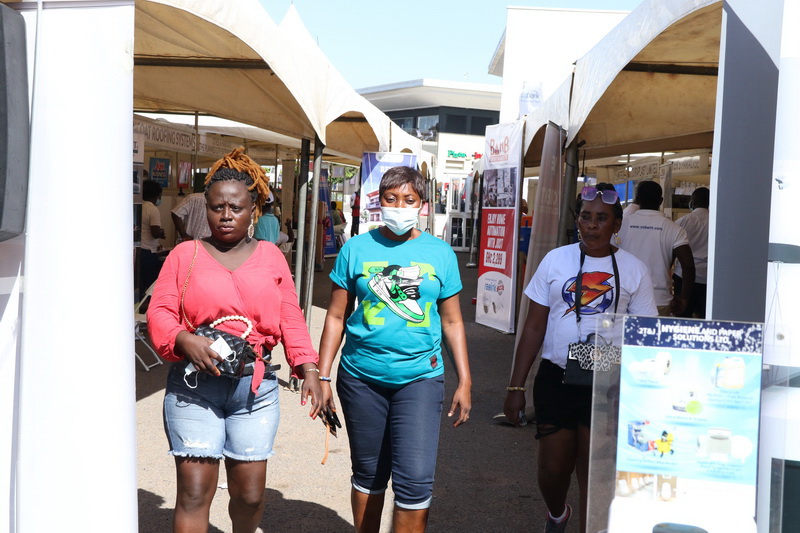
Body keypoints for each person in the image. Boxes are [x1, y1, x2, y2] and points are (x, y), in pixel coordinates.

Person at [147, 147, 322, 533]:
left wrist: (307, 365)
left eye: (236, 208)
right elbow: (158, 312)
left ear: (253, 210)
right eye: (217, 207)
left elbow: (289, 314)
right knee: (193, 493)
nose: (226, 215)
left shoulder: (271, 256)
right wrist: (181, 338)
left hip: (253, 391)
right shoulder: (184, 254)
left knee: (250, 496)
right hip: (194, 387)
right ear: (205, 208)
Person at [314, 166, 472, 533]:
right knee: (369, 473)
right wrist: (323, 375)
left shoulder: (440, 254)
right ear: (378, 201)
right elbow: (336, 317)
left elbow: (452, 322)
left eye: (408, 199)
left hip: (420, 378)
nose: (399, 206)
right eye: (391, 198)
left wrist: (465, 380)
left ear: (422, 205)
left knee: (415, 480)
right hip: (360, 379)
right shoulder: (355, 249)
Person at [504, 183, 657, 533]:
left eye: (601, 218)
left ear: (616, 225)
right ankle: (557, 513)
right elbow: (533, 326)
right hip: (557, 377)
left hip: (608, 382)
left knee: (594, 474)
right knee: (553, 470)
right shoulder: (555, 260)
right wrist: (516, 385)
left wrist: (642, 391)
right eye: (585, 217)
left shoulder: (635, 270)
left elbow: (644, 336)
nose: (591, 225)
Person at [617, 180, 695, 316]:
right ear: (660, 201)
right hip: (659, 300)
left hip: (624, 297)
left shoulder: (621, 225)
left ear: (637, 199)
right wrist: (684, 298)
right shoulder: (674, 228)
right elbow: (687, 265)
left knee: (623, 337)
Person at [674, 187, 709, 318]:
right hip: (707, 278)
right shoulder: (717, 221)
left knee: (683, 318)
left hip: (683, 277)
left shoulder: (683, 221)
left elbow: (672, 249)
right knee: (705, 319)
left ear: (692, 201)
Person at [140, 179, 166, 291]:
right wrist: (161, 233)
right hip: (148, 253)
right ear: (157, 195)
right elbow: (155, 233)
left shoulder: (139, 206)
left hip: (139, 250)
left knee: (140, 283)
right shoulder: (153, 209)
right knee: (151, 286)